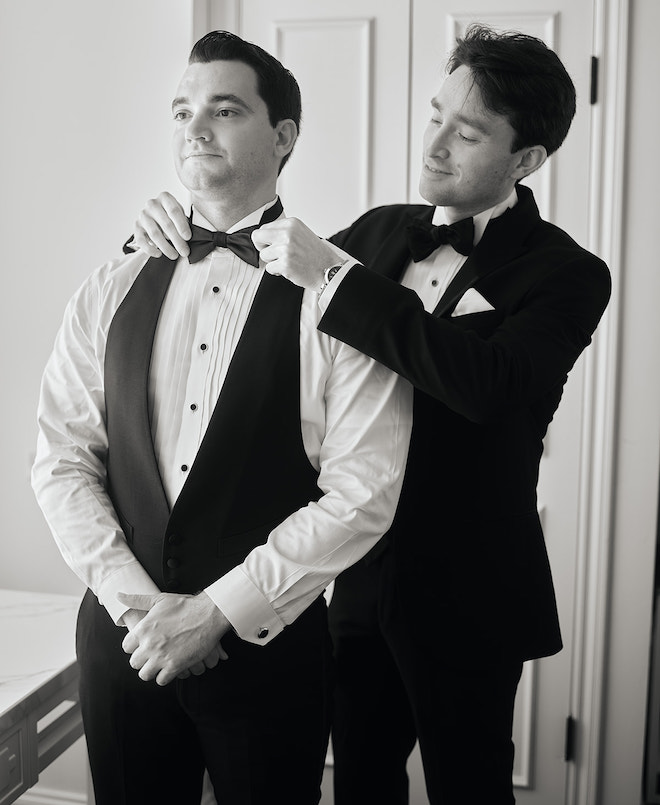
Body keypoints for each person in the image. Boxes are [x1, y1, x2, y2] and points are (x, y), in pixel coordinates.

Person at [128, 24, 612, 805]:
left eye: (468, 131)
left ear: (526, 160)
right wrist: (171, 233)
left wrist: (337, 279)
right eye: (434, 114)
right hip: (349, 578)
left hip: (471, 591)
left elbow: (490, 383)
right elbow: (254, 305)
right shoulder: (380, 230)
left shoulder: (570, 273)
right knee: (358, 783)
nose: (436, 143)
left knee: (470, 787)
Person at [31, 31, 412, 805]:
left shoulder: (340, 297)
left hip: (268, 652)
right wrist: (142, 609)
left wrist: (216, 612)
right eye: (181, 110)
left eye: (224, 109)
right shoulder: (112, 283)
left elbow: (363, 492)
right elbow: (61, 458)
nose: (194, 127)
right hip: (121, 642)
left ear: (282, 137)